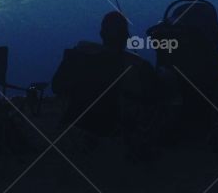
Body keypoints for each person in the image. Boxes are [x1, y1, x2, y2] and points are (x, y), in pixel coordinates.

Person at [51, 12, 158, 152]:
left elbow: (57, 87)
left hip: (76, 118)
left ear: (102, 34)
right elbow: (152, 94)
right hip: (111, 123)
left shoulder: (77, 55)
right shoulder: (135, 65)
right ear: (126, 36)